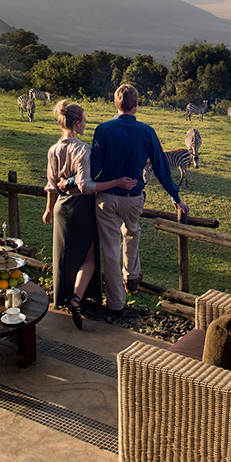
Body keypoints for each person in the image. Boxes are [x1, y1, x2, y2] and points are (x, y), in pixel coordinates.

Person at [90, 84, 189, 313]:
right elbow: (161, 165)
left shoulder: (103, 129)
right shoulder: (146, 132)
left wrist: (75, 182)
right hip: (133, 198)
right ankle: (132, 275)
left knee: (111, 250)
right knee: (132, 231)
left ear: (115, 103)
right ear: (136, 105)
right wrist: (174, 195)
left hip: (106, 197)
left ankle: (116, 303)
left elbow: (94, 167)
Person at [42, 100, 136, 329]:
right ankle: (76, 297)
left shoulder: (53, 149)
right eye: (84, 120)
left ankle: (68, 295)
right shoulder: (82, 149)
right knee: (90, 258)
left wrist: (48, 209)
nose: (86, 124)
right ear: (76, 122)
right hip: (82, 207)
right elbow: (86, 186)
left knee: (65, 255)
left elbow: (52, 185)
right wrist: (117, 182)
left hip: (60, 207)